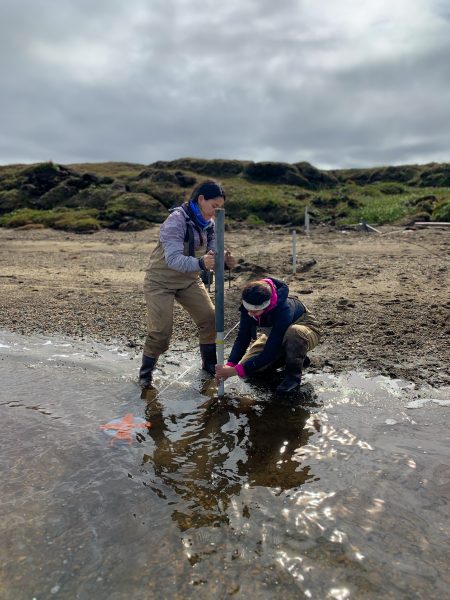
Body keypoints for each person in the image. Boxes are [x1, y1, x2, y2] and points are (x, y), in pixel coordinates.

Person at [139, 179, 236, 389]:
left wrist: (225, 261)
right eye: (214, 206)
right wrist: (202, 263)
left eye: (220, 208)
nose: (216, 212)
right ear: (201, 199)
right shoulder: (175, 221)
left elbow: (213, 253)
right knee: (161, 333)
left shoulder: (210, 224)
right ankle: (145, 376)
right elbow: (173, 259)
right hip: (160, 282)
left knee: (210, 319)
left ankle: (208, 365)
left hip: (189, 280)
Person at [215, 277, 321, 394]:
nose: (250, 314)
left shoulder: (284, 310)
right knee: (249, 371)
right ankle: (294, 359)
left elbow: (271, 350)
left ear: (266, 306)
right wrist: (230, 365)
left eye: (255, 311)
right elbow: (242, 338)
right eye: (248, 309)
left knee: (293, 333)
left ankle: (292, 380)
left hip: (304, 330)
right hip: (274, 334)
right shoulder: (250, 306)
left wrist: (234, 371)